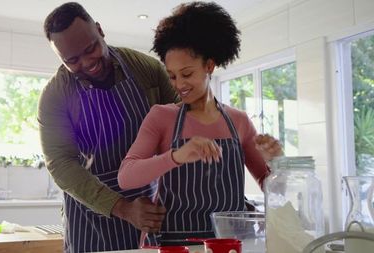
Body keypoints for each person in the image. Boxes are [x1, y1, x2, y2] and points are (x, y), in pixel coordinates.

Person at [117, 1, 283, 247]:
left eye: (186, 74)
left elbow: (272, 189)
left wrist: (278, 162)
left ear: (209, 66)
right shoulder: (161, 116)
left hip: (225, 244)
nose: (178, 84)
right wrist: (176, 156)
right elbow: (126, 177)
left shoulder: (238, 121)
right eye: (171, 76)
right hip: (172, 244)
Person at [38, 2, 178, 252]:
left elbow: (183, 128)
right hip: (91, 218)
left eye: (91, 48)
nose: (87, 62)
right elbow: (61, 165)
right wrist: (123, 208)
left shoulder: (146, 69)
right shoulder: (55, 96)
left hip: (150, 208)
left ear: (100, 31)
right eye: (72, 60)